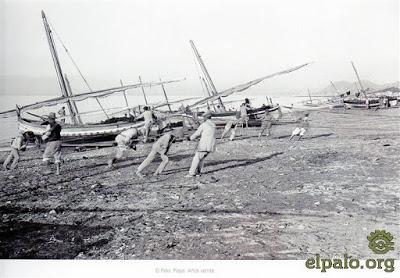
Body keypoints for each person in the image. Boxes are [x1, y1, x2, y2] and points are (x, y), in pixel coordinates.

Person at [186, 112, 216, 177]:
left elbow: (197, 133)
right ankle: (198, 172)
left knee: (196, 158)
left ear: (205, 117)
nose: (203, 119)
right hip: (211, 145)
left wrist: (190, 138)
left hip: (204, 145)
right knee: (202, 159)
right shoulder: (213, 124)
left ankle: (191, 173)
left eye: (203, 117)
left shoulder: (204, 124)